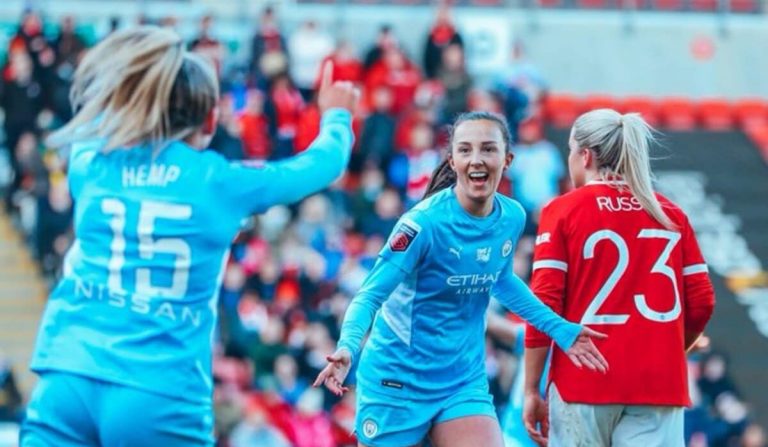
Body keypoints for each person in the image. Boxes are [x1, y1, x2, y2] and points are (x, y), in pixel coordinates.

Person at [21, 26, 358, 446]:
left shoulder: (90, 162)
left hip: (67, 373)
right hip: (158, 388)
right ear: (211, 119)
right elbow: (322, 164)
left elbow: (105, 119)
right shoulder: (220, 182)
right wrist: (337, 115)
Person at [314, 111, 608, 447]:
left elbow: (502, 280)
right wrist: (348, 347)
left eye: (487, 149)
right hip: (398, 380)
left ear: (507, 159)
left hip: (461, 381)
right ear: (452, 161)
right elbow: (369, 296)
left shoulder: (512, 216)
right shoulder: (423, 224)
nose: (476, 159)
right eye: (465, 150)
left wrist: (561, 329)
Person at [523, 109, 716, 447]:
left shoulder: (562, 210)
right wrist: (669, 349)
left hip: (582, 380)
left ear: (584, 156)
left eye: (571, 150)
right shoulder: (671, 213)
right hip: (658, 382)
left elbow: (543, 306)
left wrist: (530, 388)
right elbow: (702, 302)